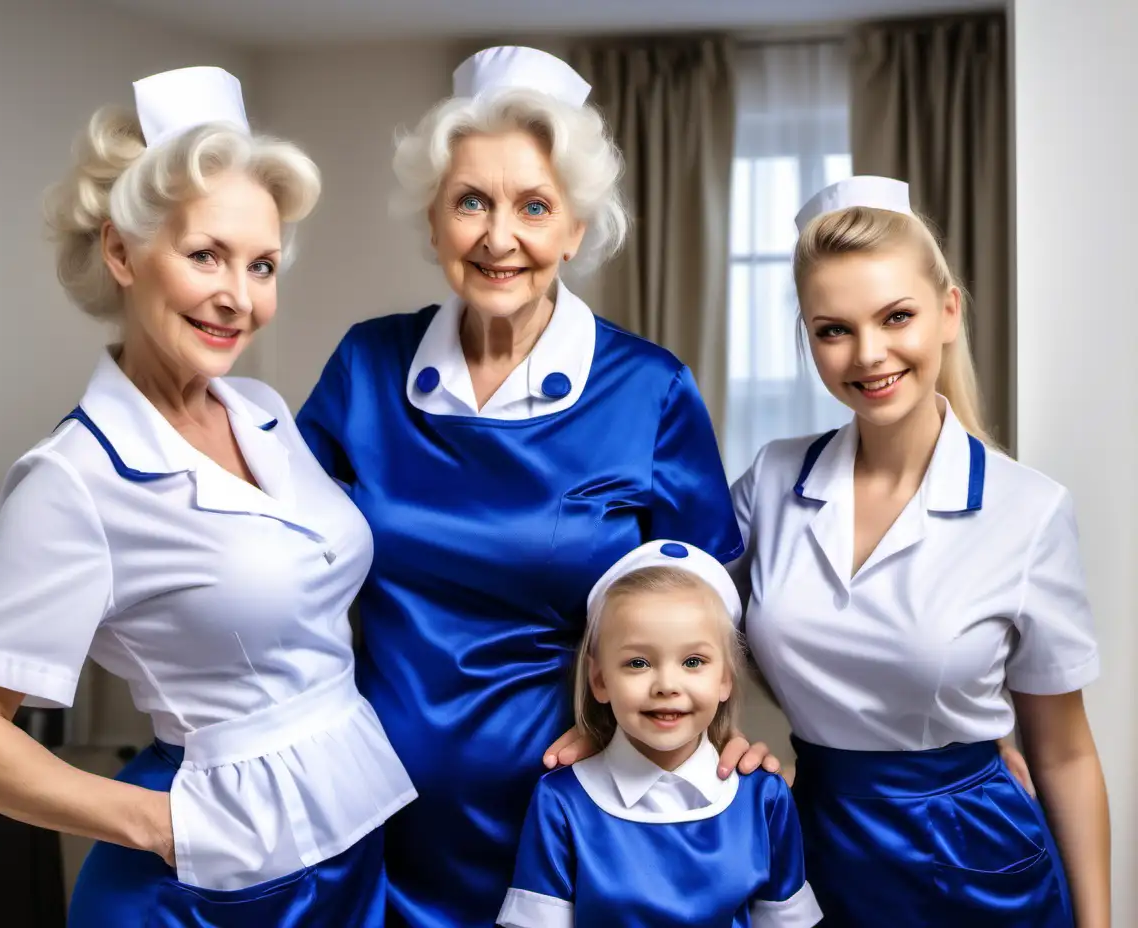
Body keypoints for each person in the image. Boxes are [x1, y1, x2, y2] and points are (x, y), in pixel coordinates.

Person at [0, 66, 415, 927]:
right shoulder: (75, 478)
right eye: (204, 255)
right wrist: (160, 822)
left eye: (262, 264)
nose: (239, 298)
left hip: (347, 839)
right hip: (213, 894)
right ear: (120, 252)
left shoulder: (261, 411)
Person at [297, 45, 774, 928]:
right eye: (471, 201)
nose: (498, 237)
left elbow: (708, 596)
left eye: (534, 206)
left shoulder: (649, 389)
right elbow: (280, 563)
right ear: (434, 220)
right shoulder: (366, 366)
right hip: (377, 812)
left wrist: (713, 731)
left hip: (581, 810)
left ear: (577, 228)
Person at [728, 175, 1112, 926]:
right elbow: (670, 613)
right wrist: (713, 734)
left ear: (947, 311)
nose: (868, 355)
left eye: (895, 317)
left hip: (978, 863)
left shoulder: (1027, 511)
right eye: (832, 329)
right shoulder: (772, 480)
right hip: (816, 849)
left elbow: (1064, 754)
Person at [498, 540, 823, 928]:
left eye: (692, 661)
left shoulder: (763, 797)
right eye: (638, 662)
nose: (667, 684)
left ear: (725, 679)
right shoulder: (562, 800)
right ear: (600, 679)